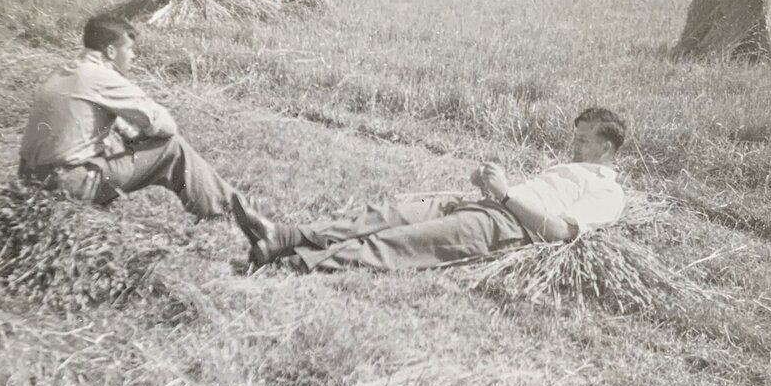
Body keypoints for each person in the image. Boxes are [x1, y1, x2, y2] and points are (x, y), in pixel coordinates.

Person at [232, 108, 627, 272]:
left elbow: (557, 233)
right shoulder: (569, 168)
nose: (573, 147)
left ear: (606, 148)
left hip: (506, 228)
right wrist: (490, 187)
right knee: (388, 212)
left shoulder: (607, 192)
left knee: (401, 241)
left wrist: (506, 196)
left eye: (583, 141)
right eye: (574, 139)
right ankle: (283, 236)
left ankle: (298, 263)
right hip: (484, 203)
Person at [18, 16, 238, 218]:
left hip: (30, 180)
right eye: (130, 49)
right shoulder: (103, 76)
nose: (133, 56)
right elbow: (166, 126)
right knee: (172, 148)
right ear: (112, 52)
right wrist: (145, 133)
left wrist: (124, 128)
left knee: (114, 138)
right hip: (66, 185)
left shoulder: (68, 71)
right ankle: (222, 210)